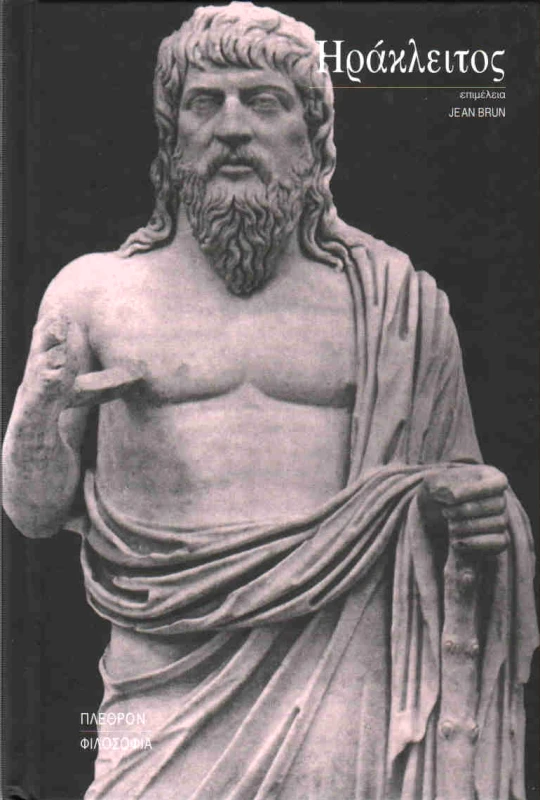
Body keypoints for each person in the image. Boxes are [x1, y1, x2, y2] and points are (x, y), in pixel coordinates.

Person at [2, 4, 537, 799]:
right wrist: (36, 415)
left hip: (347, 709)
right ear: (172, 135)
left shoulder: (397, 305)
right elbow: (32, 512)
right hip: (160, 704)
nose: (231, 126)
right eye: (204, 102)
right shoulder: (94, 295)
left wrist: (483, 516)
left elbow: (459, 493)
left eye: (263, 101)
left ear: (313, 136)